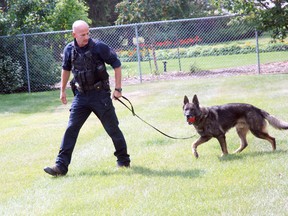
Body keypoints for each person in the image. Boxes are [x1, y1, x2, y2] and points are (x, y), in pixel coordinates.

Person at [44, 20, 130, 176]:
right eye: (82, 34)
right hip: (81, 96)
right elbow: (66, 70)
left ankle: (123, 160)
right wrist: (62, 90)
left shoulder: (99, 47)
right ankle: (60, 166)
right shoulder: (69, 50)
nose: (86, 37)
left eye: (87, 33)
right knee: (71, 129)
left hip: (100, 95)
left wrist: (118, 89)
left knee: (112, 129)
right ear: (74, 34)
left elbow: (117, 64)